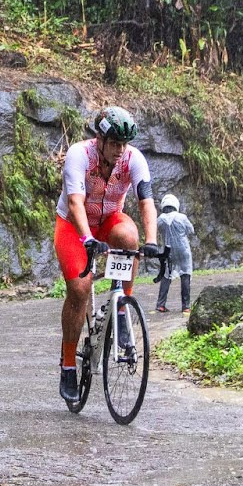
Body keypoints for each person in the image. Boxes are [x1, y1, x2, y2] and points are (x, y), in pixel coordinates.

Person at [53, 105, 161, 403]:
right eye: (114, 143)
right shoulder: (79, 155)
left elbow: (146, 201)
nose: (119, 150)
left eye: (124, 144)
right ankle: (68, 364)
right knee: (80, 288)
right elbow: (75, 203)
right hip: (75, 225)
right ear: (99, 140)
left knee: (129, 236)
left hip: (109, 219)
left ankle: (121, 308)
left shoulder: (133, 159)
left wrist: (151, 240)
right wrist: (87, 238)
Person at [154, 193, 195, 313]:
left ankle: (160, 304)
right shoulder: (182, 217)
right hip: (183, 249)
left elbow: (158, 232)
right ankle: (186, 306)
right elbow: (191, 230)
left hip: (167, 250)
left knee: (166, 275)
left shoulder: (160, 219)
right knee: (185, 274)